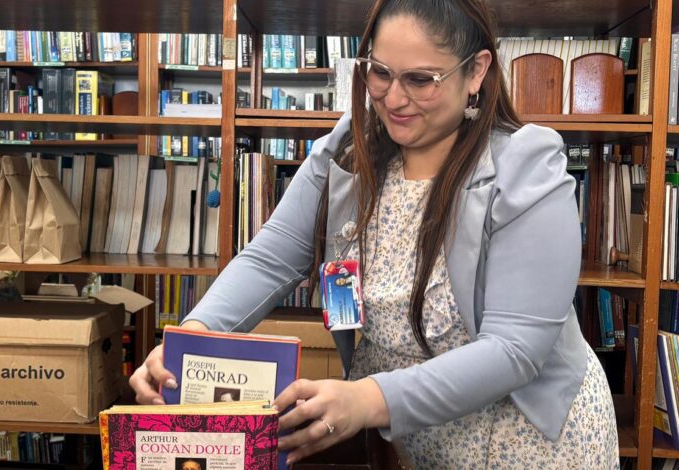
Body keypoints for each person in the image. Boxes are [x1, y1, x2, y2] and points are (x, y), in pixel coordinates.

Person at [130, 0, 619, 467]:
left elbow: (514, 350)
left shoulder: (526, 167)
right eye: (380, 72)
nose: (393, 98)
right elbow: (269, 258)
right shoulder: (349, 148)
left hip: (529, 446)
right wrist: (192, 338)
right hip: (421, 445)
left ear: (476, 72)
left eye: (421, 80)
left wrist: (368, 398)